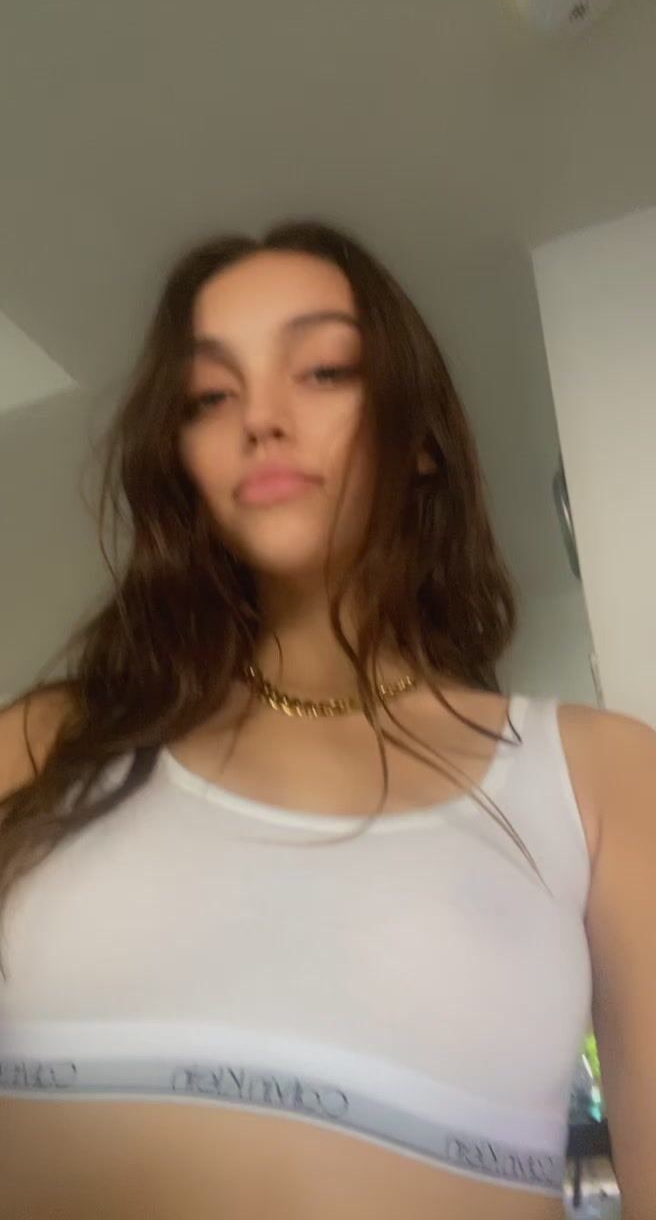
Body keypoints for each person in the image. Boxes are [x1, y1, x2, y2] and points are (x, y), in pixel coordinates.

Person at [1, 219, 655, 1220]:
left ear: (421, 441)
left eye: (321, 371)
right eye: (210, 395)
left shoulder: (598, 778)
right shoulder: (49, 742)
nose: (260, 418)